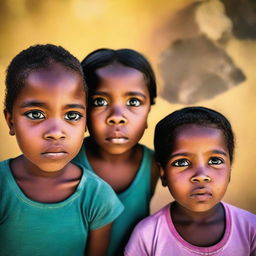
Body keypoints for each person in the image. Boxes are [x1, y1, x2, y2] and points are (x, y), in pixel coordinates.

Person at [0, 44, 124, 256]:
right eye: (36, 115)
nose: (56, 133)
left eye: (72, 116)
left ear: (86, 122)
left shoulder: (97, 197)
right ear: (11, 121)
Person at [125, 106, 256, 255]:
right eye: (182, 163)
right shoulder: (147, 235)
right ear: (163, 174)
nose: (201, 175)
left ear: (229, 170)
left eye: (215, 160)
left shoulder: (251, 229)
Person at [72, 48, 159, 255]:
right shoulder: (65, 162)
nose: (117, 117)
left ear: (149, 109)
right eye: (99, 102)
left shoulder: (155, 166)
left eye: (133, 102)